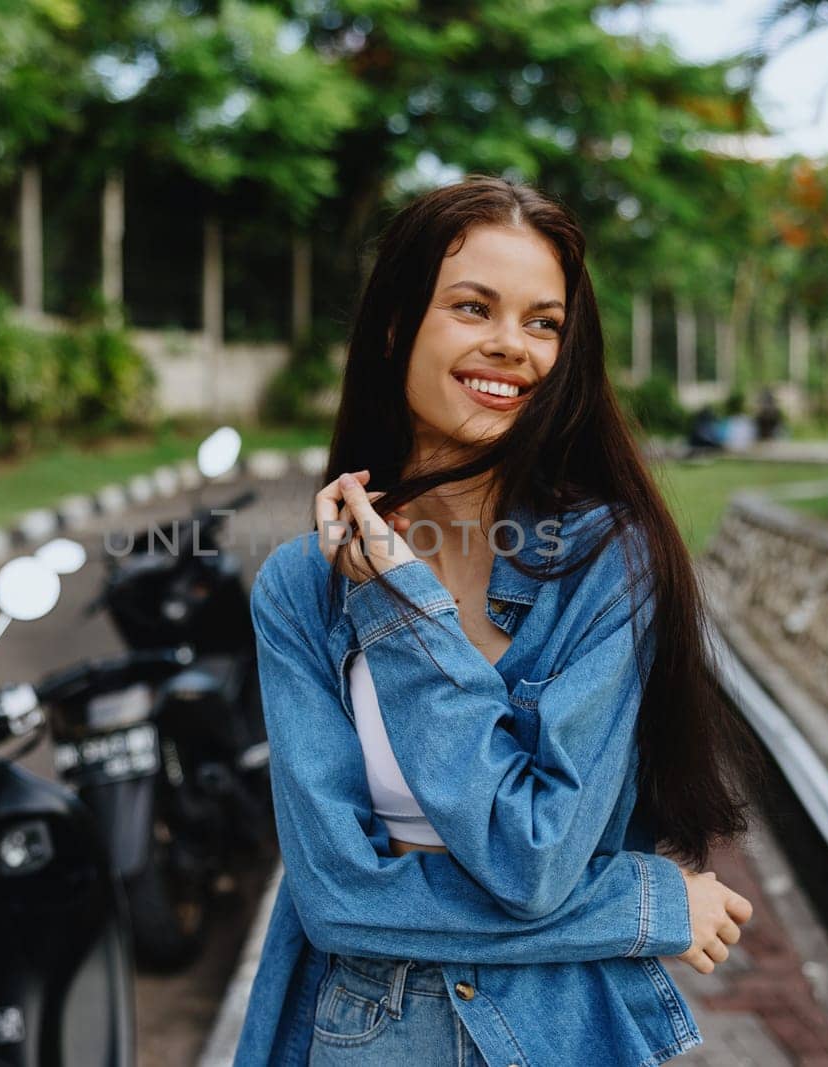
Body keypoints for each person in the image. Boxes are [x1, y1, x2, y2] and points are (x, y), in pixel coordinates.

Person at [236, 176, 760, 1067]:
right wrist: (645, 905)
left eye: (543, 322)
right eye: (473, 308)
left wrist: (403, 617)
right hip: (367, 1037)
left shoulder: (606, 562)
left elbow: (537, 858)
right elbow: (336, 898)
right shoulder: (302, 586)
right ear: (399, 325)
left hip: (561, 1034)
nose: (511, 346)